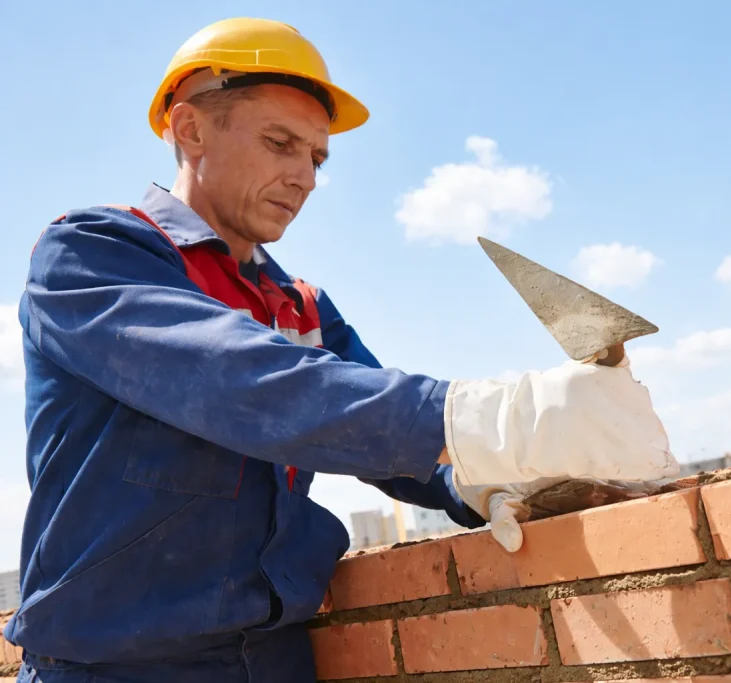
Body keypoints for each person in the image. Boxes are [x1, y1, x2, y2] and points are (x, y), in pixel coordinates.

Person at [5, 17, 677, 683]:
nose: (305, 177)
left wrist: (492, 484)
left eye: (317, 157)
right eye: (280, 143)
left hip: (276, 661)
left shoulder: (300, 306)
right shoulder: (93, 256)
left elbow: (378, 430)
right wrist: (498, 417)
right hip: (108, 670)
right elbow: (245, 382)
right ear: (190, 129)